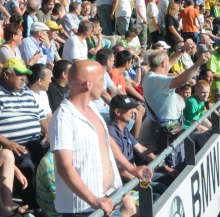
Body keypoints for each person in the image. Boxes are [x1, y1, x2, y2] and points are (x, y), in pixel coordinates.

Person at [49, 60, 150, 217]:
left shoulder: (92, 109)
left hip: (108, 198)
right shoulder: (63, 118)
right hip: (84, 209)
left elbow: (106, 142)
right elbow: (64, 167)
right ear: (89, 84)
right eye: (102, 79)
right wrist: (93, 199)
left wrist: (131, 168)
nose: (104, 85)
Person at [0, 58, 48, 210]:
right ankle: (35, 206)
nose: (24, 78)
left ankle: (52, 203)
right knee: (27, 163)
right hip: (12, 147)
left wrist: (50, 135)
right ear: (6, 74)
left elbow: (42, 119)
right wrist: (8, 143)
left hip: (36, 142)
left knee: (55, 158)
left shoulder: (28, 93)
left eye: (25, 74)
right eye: (19, 74)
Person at [143, 47, 211, 169]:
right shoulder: (157, 79)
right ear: (163, 63)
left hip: (168, 126)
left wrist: (181, 49)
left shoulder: (150, 76)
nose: (169, 63)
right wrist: (199, 63)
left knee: (179, 159)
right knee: (175, 163)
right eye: (167, 61)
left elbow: (167, 65)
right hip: (168, 128)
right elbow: (180, 81)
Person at [107, 95, 170, 197]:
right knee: (159, 189)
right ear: (117, 112)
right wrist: (142, 182)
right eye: (128, 109)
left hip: (136, 175)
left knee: (167, 177)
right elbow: (120, 170)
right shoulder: (111, 134)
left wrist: (165, 167)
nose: (133, 111)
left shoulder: (124, 129)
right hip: (126, 182)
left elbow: (142, 150)